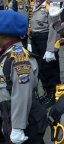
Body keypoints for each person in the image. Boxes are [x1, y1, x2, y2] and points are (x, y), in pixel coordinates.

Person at [0, 10, 47, 144]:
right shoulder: (6, 53)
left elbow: (22, 94)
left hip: (21, 116)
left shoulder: (19, 60)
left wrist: (18, 127)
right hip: (6, 112)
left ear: (4, 35)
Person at [28, 0, 60, 107]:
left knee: (49, 68)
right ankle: (46, 92)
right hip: (35, 38)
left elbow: (54, 29)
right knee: (40, 67)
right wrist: (30, 42)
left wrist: (51, 49)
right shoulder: (34, 3)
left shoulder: (51, 6)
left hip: (46, 39)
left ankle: (53, 94)